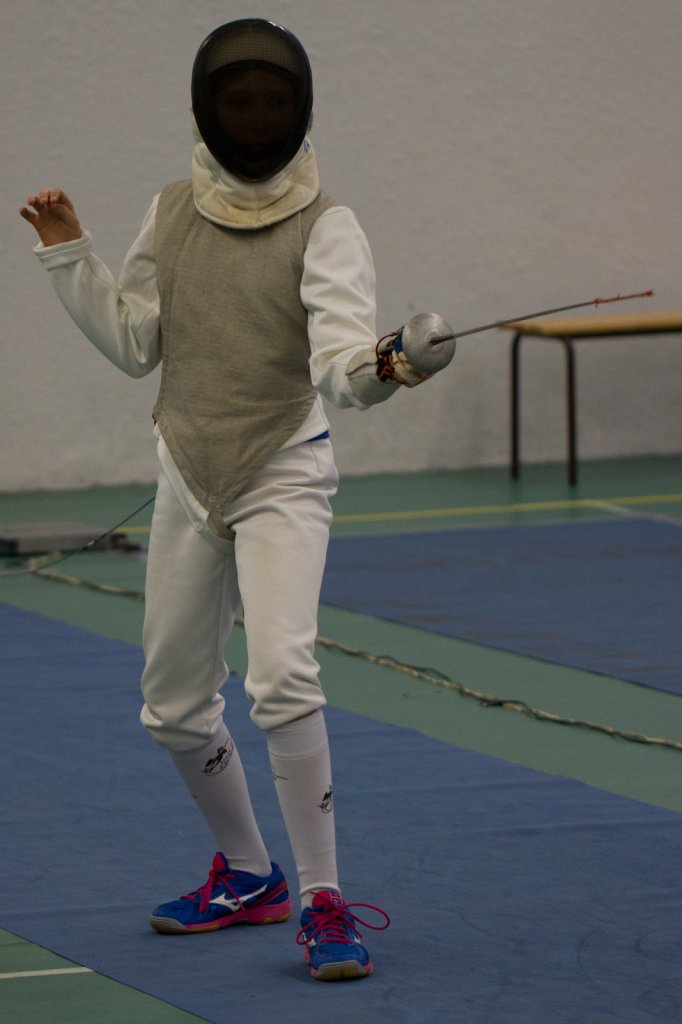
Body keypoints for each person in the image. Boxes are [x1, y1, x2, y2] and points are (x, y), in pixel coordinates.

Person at [20, 18, 452, 982]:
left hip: (281, 469)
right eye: (238, 100)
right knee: (174, 707)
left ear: (301, 111)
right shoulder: (172, 210)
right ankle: (251, 875)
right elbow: (136, 343)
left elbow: (339, 370)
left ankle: (323, 899)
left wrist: (388, 366)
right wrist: (69, 254)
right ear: (206, 110)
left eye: (273, 101)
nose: (256, 117)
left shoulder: (327, 224)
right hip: (187, 467)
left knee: (282, 676)